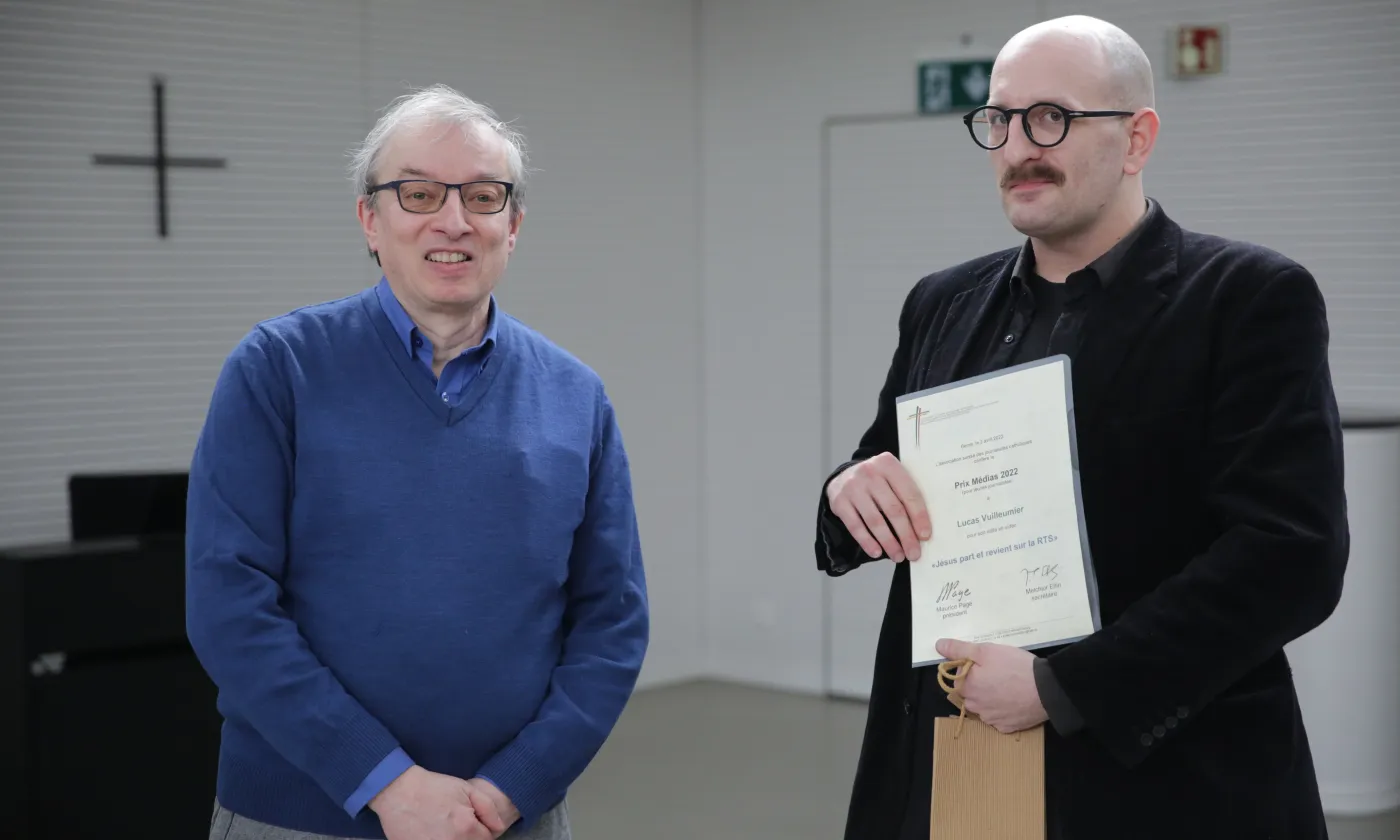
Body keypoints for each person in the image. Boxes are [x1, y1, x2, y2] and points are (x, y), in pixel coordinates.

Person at [815, 15, 1347, 840]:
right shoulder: (941, 303)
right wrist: (849, 488)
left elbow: (1292, 553)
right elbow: (877, 469)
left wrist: (1066, 688)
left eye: (1052, 117)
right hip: (948, 750)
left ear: (1137, 139)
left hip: (1158, 774)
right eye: (999, 119)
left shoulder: (1246, 298)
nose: (1019, 146)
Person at [186, 84, 649, 840]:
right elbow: (228, 607)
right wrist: (386, 785)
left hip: (508, 820)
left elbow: (613, 624)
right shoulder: (277, 372)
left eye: (484, 196)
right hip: (300, 816)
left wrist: (507, 792)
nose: (455, 221)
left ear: (516, 223)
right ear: (371, 219)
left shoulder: (576, 397)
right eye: (420, 193)